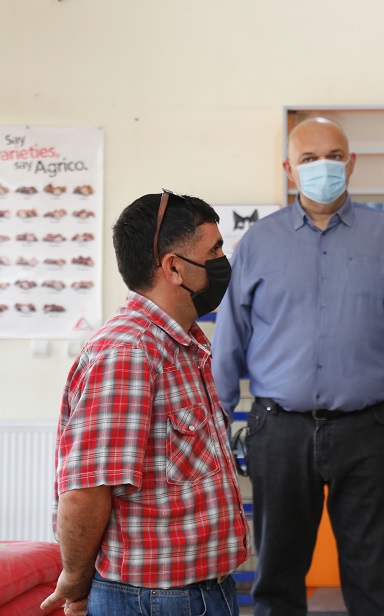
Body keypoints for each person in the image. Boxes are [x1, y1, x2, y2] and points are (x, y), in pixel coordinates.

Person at [211, 117, 384, 616]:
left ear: (352, 163)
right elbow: (229, 342)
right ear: (289, 169)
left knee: (376, 578)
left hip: (372, 430)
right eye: (309, 158)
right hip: (280, 430)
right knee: (277, 579)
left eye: (335, 156)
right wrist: (214, 427)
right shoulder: (258, 243)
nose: (323, 167)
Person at [42, 191, 249, 616]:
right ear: (174, 267)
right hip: (156, 600)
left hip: (200, 592)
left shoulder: (180, 344)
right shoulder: (130, 352)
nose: (223, 261)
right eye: (214, 250)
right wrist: (76, 579)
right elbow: (86, 490)